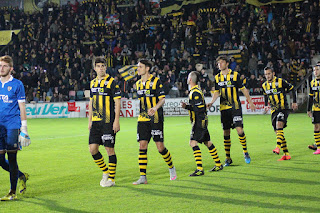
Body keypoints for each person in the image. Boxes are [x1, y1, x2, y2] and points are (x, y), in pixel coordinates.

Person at [133, 59, 177, 185]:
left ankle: (171, 167)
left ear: (147, 68)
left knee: (160, 147)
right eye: (138, 67)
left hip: (156, 117)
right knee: (142, 145)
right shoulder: (138, 84)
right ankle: (142, 177)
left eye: (140, 67)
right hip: (142, 118)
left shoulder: (156, 81)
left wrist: (155, 108)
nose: (138, 69)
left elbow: (162, 99)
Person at [207, 55, 256, 166]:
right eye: (218, 63)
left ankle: (245, 152)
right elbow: (217, 92)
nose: (219, 65)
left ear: (227, 63)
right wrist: (211, 102)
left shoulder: (235, 75)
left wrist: (251, 102)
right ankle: (228, 158)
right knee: (226, 132)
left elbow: (244, 90)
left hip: (235, 107)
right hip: (224, 109)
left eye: (221, 62)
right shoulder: (217, 77)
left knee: (240, 130)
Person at [181, 71, 223, 176]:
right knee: (207, 142)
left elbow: (199, 108)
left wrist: (187, 107)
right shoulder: (196, 90)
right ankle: (218, 164)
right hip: (202, 120)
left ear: (190, 79)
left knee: (193, 143)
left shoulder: (195, 92)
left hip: (199, 121)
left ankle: (200, 169)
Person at [0, 55, 30, 200]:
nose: (1, 68)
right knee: (0, 160)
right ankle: (21, 175)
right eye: (0, 65)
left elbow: (22, 107)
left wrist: (24, 129)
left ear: (11, 69)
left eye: (4, 66)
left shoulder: (17, 84)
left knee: (12, 157)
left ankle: (12, 192)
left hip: (12, 125)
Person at [88, 56, 121, 187]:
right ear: (94, 68)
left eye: (103, 66)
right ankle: (105, 172)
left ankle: (111, 179)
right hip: (96, 122)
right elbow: (91, 102)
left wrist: (116, 121)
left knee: (109, 149)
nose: (100, 68)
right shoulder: (92, 83)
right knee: (93, 149)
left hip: (108, 121)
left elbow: (117, 102)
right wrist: (89, 120)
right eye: (98, 66)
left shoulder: (112, 82)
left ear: (105, 67)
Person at [262, 67, 298, 160]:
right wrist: (266, 105)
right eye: (266, 74)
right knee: (278, 132)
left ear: (273, 73)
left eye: (269, 74)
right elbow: (265, 95)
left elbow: (292, 89)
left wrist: (294, 102)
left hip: (283, 108)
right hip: (273, 110)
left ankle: (277, 147)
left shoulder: (280, 81)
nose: (267, 76)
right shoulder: (264, 85)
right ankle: (286, 154)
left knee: (279, 125)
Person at [307, 64, 320, 154]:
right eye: (314, 70)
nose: (315, 72)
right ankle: (318, 147)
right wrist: (308, 109)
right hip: (316, 109)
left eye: (317, 70)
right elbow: (310, 97)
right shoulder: (312, 82)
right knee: (316, 126)